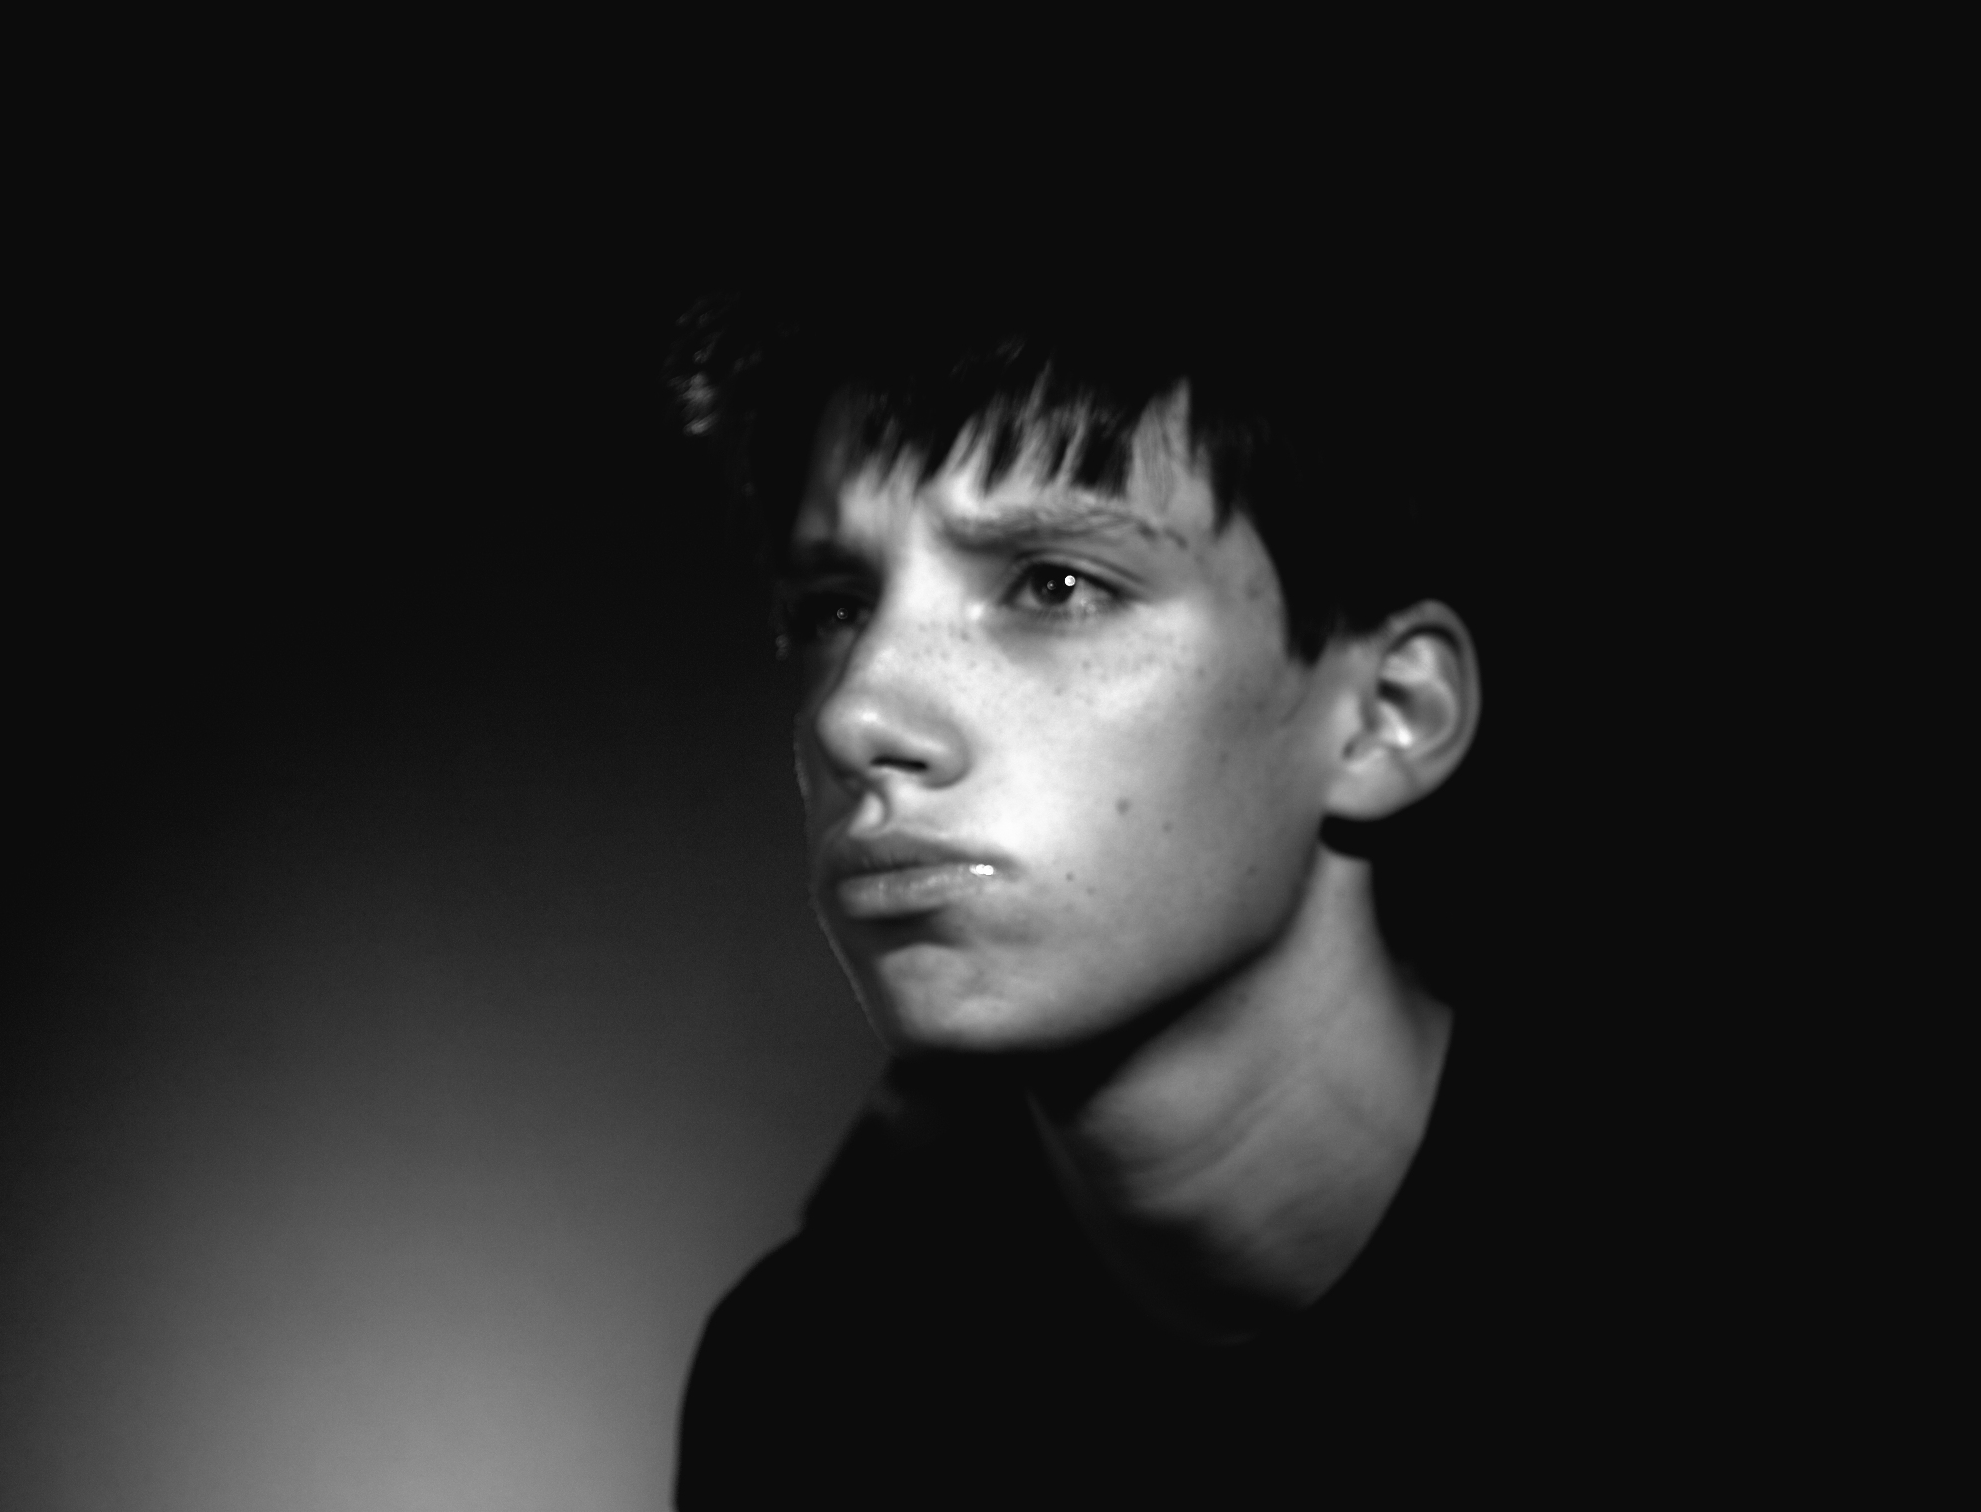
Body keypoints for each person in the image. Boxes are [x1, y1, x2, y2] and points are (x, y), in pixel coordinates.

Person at [669, 282, 1578, 1506]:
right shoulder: (806, 1397)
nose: (857, 713)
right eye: (834, 608)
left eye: (1053, 585)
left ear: (1386, 717)